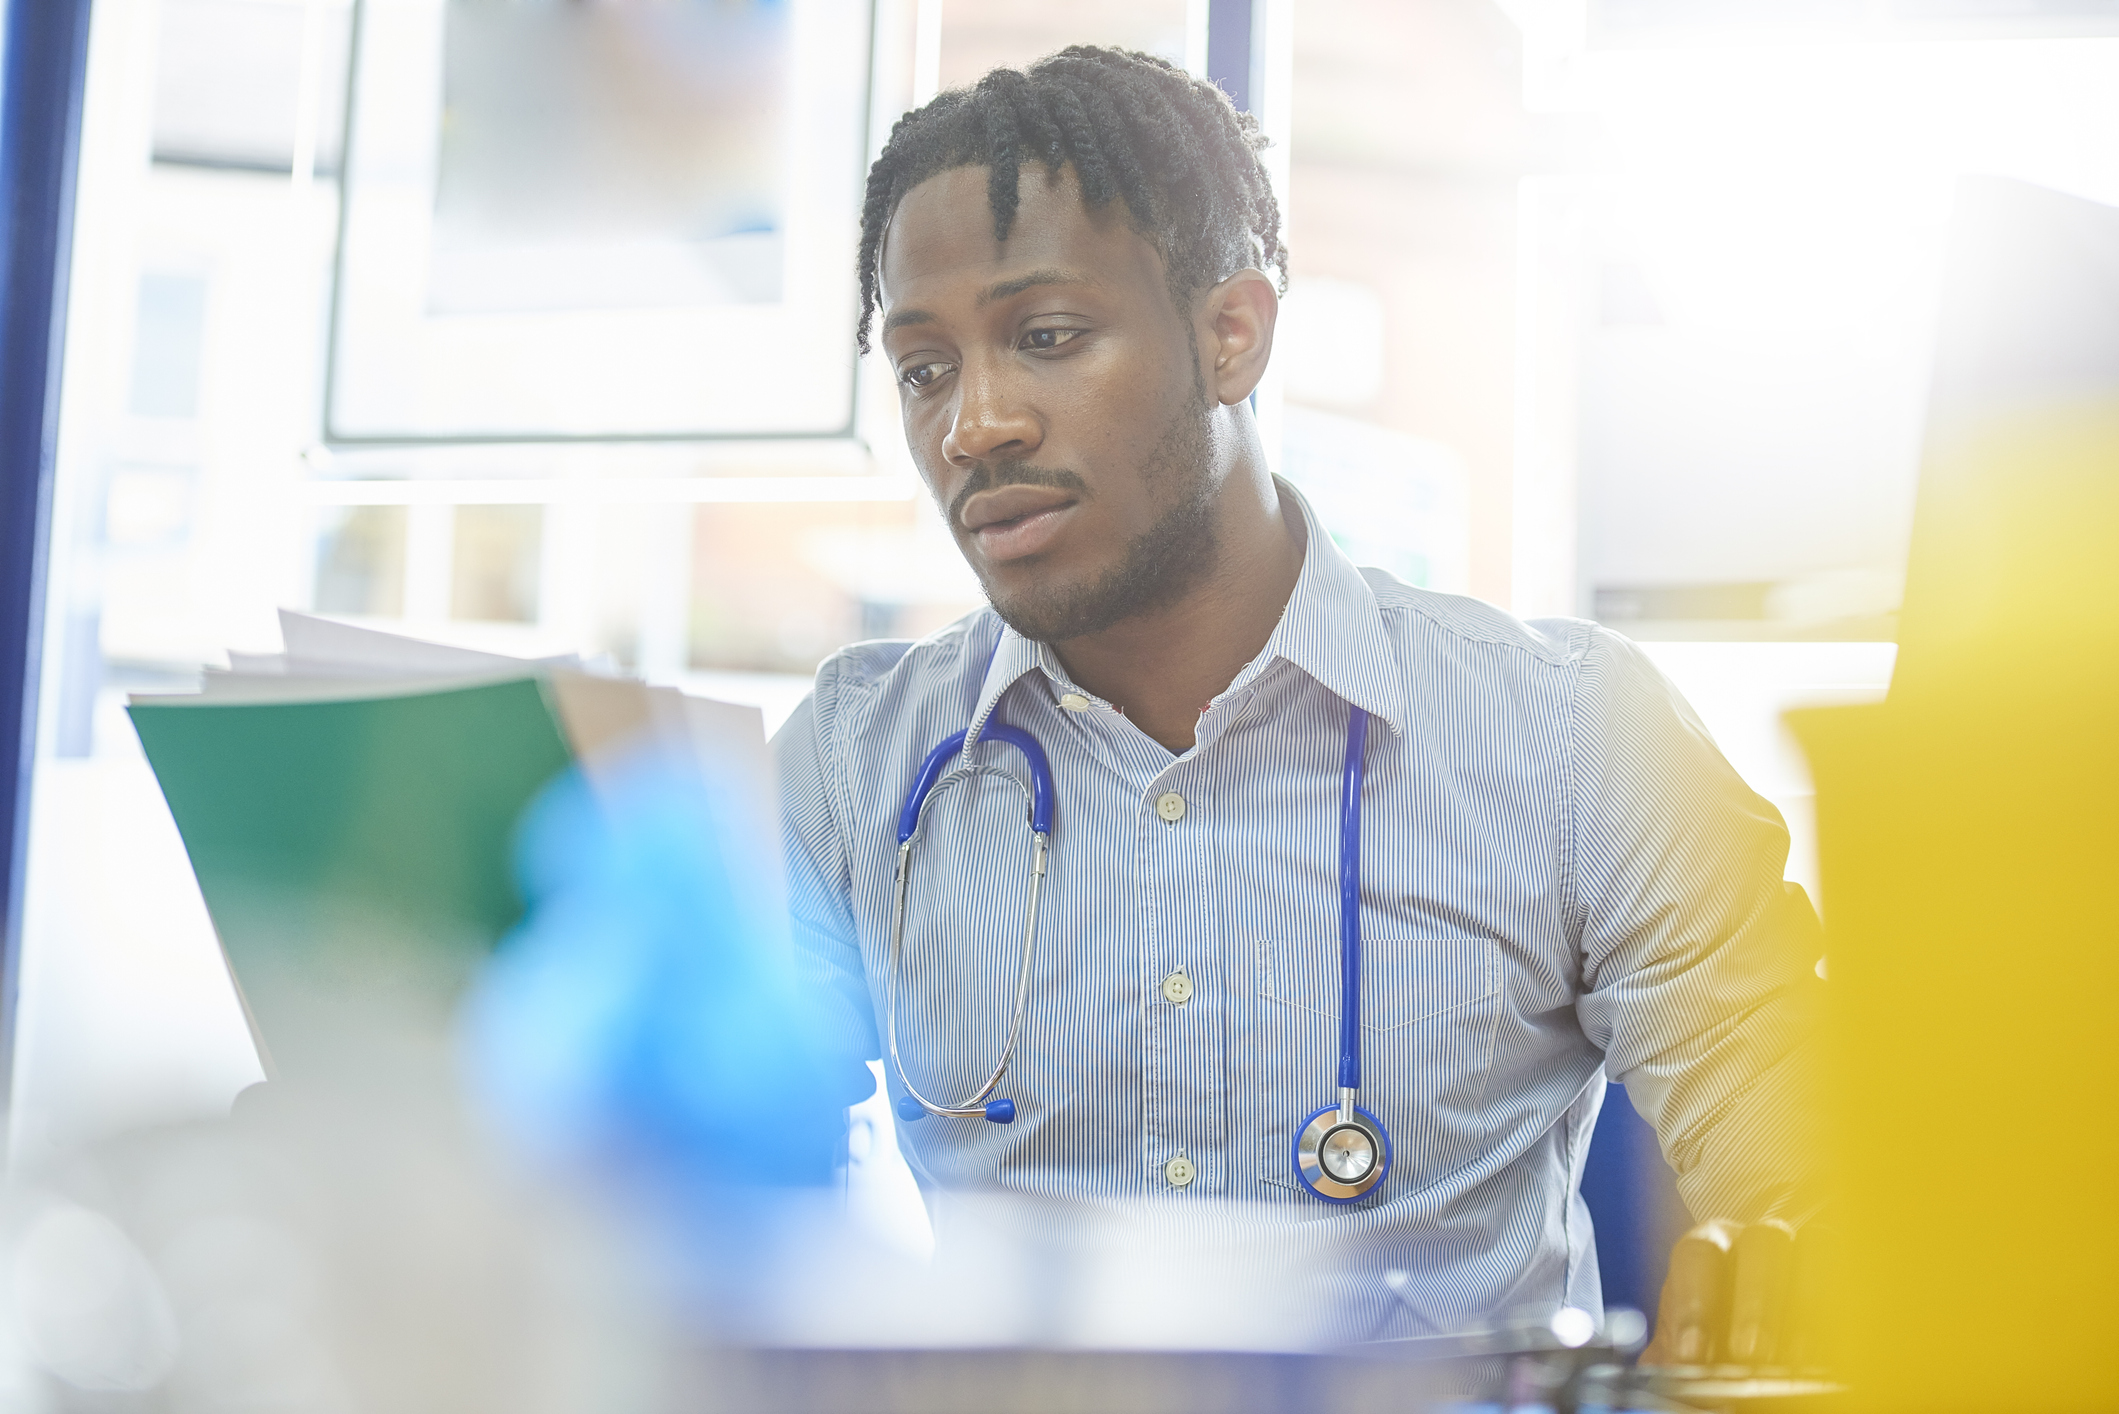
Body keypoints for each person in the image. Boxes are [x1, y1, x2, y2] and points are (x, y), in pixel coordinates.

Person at [776, 46, 1819, 1348]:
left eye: (1045, 338)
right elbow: (705, 1205)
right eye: (925, 366)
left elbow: (1813, 1183)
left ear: (1233, 333)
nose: (973, 423)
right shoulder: (856, 765)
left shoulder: (1571, 738)